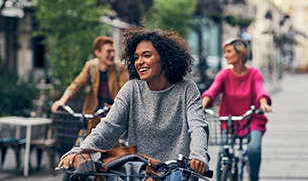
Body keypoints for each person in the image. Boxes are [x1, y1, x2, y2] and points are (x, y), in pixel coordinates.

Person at [57, 28, 211, 180]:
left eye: (147, 55)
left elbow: (198, 126)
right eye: (136, 57)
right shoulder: (132, 89)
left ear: (164, 58)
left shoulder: (187, 89)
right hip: (141, 173)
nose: (139, 62)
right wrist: (77, 151)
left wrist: (198, 156)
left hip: (177, 174)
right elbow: (107, 128)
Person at [201, 38, 272, 181]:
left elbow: (260, 90)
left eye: (229, 52)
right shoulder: (224, 74)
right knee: (223, 152)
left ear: (240, 54)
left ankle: (253, 177)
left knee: (253, 149)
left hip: (252, 119)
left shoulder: (254, 74)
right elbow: (212, 91)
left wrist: (263, 103)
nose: (225, 55)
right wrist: (203, 104)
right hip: (229, 121)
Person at [51, 36, 129, 153]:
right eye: (108, 51)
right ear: (98, 53)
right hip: (93, 113)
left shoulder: (119, 68)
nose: (112, 54)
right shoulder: (91, 66)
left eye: (113, 51)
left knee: (112, 150)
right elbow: (76, 84)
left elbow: (125, 90)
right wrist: (62, 101)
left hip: (112, 113)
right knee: (86, 147)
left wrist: (117, 106)